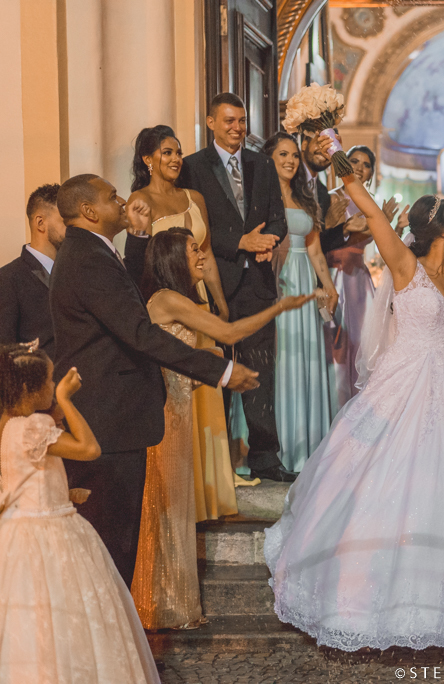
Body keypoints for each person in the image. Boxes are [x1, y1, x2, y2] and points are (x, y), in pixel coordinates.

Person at [264, 135, 444, 650]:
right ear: (441, 228)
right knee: (384, 482)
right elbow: (372, 215)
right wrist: (346, 172)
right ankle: (361, 597)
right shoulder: (404, 266)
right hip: (403, 386)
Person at [50, 173, 257, 586]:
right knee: (111, 549)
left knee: (116, 545)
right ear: (89, 211)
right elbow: (140, 331)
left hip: (112, 415)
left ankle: (115, 642)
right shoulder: (88, 258)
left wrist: (140, 236)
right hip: (110, 419)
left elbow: (124, 299)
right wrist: (221, 370)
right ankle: (110, 644)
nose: (123, 200)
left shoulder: (88, 251)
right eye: (112, 197)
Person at [132, 228, 311, 630]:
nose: (202, 257)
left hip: (180, 412)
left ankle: (165, 601)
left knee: (174, 506)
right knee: (165, 507)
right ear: (173, 257)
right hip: (167, 415)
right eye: (194, 251)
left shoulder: (175, 299)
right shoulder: (168, 298)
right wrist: (278, 308)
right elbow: (228, 334)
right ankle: (157, 603)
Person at [0, 343, 160, 683]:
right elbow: (90, 448)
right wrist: (67, 401)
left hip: (18, 534)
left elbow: (18, 482)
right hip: (49, 540)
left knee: (31, 619)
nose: (53, 386)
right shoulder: (33, 428)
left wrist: (63, 492)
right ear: (29, 388)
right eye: (49, 381)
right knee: (60, 614)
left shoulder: (8, 426)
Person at [177, 92, 295, 483]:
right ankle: (220, 466)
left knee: (261, 375)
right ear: (211, 122)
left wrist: (269, 242)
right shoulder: (192, 167)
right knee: (219, 376)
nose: (237, 128)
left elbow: (278, 220)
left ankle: (265, 459)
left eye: (241, 121)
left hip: (257, 287)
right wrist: (240, 242)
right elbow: (191, 230)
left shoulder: (262, 164)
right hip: (216, 288)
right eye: (228, 121)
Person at [124, 124, 238, 522]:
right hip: (166, 313)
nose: (175, 159)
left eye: (177, 152)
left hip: (200, 305)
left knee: (207, 400)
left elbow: (204, 258)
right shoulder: (138, 202)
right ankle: (178, 497)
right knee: (178, 405)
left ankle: (209, 496)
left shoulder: (195, 198)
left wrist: (220, 308)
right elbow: (136, 269)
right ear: (148, 159)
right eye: (167, 153)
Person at [259, 132, 339, 471]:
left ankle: (306, 447)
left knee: (306, 355)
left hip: (304, 279)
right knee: (280, 357)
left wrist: (328, 285)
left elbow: (315, 249)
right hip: (275, 280)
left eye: (294, 155)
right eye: (283, 155)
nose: (291, 161)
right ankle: (277, 449)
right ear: (269, 159)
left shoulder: (307, 197)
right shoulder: (259, 197)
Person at [322, 145, 401, 409]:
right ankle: (336, 405)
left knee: (364, 343)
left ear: (371, 172)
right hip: (334, 275)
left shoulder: (373, 203)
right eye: (353, 160)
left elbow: (382, 245)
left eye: (365, 164)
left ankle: (364, 406)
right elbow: (324, 240)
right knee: (337, 344)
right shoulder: (332, 198)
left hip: (359, 280)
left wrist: (393, 228)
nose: (358, 167)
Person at [0, 184, 64, 359]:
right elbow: (5, 351)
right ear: (40, 223)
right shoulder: (8, 279)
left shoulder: (75, 271)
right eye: (65, 221)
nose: (73, 229)